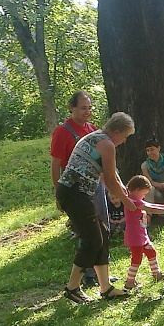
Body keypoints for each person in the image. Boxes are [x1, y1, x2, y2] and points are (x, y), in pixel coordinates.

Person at [57, 112, 138, 302]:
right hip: (74, 193)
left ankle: (105, 288)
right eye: (125, 136)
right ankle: (72, 287)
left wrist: (123, 187)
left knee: (102, 234)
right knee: (92, 239)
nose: (124, 141)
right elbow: (109, 180)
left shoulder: (96, 137)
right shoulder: (107, 144)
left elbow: (111, 172)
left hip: (75, 192)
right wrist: (127, 202)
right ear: (117, 132)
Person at [50, 91, 99, 285]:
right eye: (83, 108)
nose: (87, 112)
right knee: (85, 231)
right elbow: (55, 164)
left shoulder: (92, 129)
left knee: (100, 229)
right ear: (72, 108)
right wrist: (58, 193)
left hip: (94, 185)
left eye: (89, 108)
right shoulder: (62, 132)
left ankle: (101, 273)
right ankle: (87, 274)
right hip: (74, 188)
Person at [121, 175, 164, 289]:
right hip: (135, 237)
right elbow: (150, 208)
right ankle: (130, 281)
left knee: (151, 252)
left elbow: (150, 205)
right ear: (137, 190)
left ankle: (156, 274)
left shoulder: (137, 200)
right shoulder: (133, 201)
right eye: (144, 194)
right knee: (137, 259)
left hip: (142, 235)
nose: (144, 196)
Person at [140, 136, 164, 208]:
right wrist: (162, 185)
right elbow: (149, 182)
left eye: (152, 149)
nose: (150, 153)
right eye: (148, 150)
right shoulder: (145, 166)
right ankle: (148, 213)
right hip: (156, 190)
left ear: (158, 148)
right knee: (149, 189)